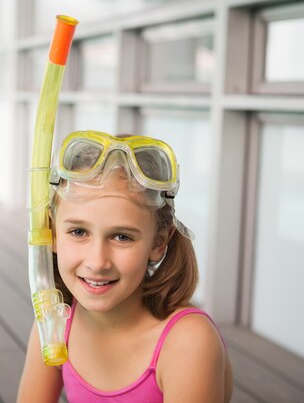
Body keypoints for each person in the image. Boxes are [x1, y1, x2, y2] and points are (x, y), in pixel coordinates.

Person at [17, 130, 233, 403]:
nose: (97, 262)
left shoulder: (188, 343)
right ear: (52, 234)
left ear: (158, 242)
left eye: (122, 237)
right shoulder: (54, 326)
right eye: (79, 232)